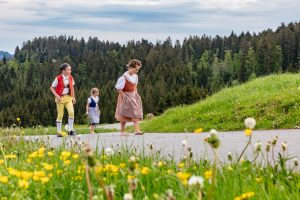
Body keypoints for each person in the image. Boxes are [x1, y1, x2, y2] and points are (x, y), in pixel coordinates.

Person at [115, 59, 144, 136]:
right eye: (136, 69)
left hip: (133, 95)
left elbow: (135, 86)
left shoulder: (135, 76)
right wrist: (124, 96)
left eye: (138, 70)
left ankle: (137, 130)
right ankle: (122, 131)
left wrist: (136, 94)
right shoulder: (124, 77)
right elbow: (118, 88)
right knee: (123, 114)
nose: (137, 71)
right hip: (125, 96)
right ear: (130, 67)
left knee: (136, 112)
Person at [50, 63, 76, 137]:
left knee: (71, 112)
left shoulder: (71, 77)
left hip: (68, 98)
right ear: (63, 71)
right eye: (69, 69)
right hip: (60, 99)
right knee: (60, 115)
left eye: (70, 69)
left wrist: (73, 97)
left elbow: (72, 88)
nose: (70, 70)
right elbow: (52, 88)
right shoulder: (58, 78)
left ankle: (70, 130)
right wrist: (57, 96)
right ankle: (58, 132)